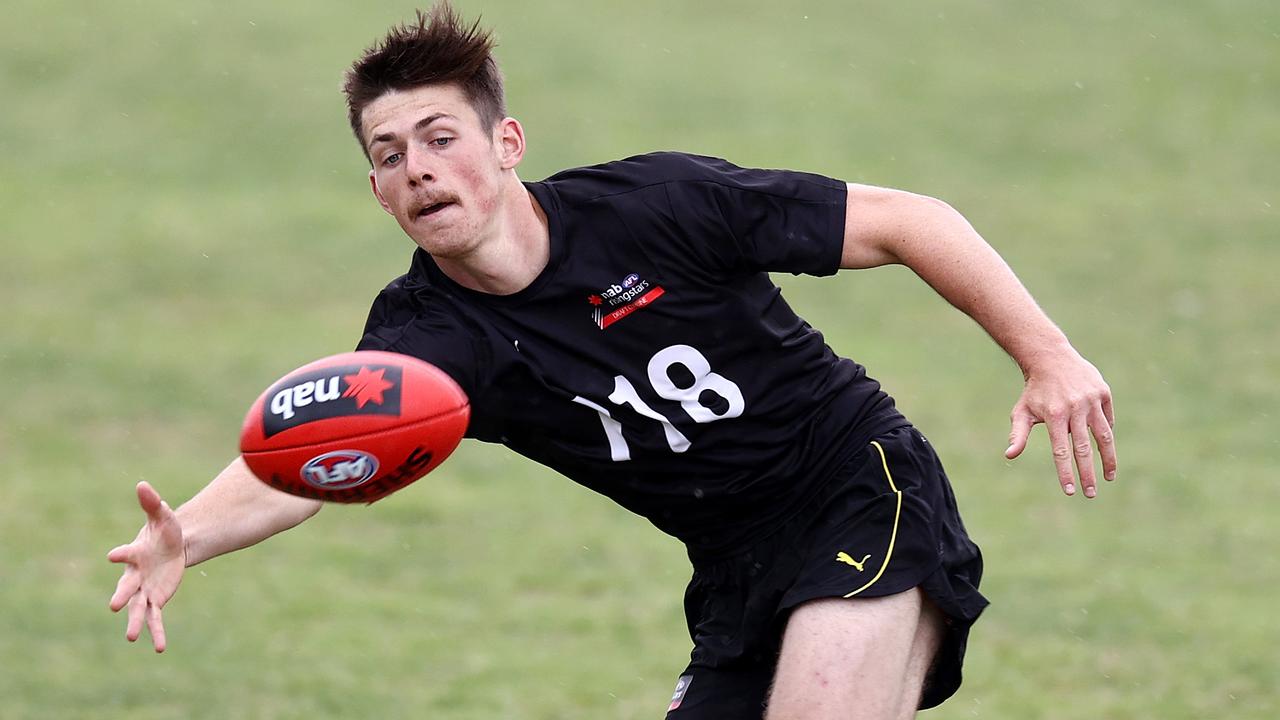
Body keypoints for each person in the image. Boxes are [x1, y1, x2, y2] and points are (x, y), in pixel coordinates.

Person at [107, 4, 1117, 718]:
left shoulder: (656, 209)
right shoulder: (428, 336)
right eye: (386, 153)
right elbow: (318, 457)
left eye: (438, 136)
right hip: (732, 571)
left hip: (857, 489)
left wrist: (1047, 355)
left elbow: (908, 220)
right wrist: (185, 536)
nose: (416, 167)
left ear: (504, 143)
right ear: (375, 192)